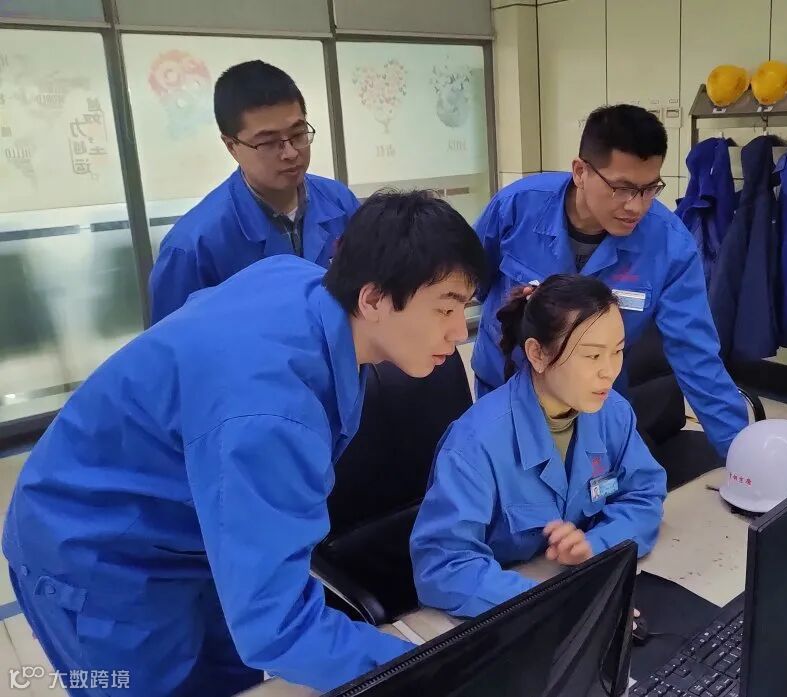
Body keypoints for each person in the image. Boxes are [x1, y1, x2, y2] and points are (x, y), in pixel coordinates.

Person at [3, 191, 487, 696]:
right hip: (95, 549)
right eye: (445, 308)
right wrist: (437, 672)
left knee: (231, 678)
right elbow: (278, 627)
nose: (459, 331)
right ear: (373, 300)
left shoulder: (300, 281)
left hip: (193, 529)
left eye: (464, 306)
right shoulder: (271, 412)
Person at [471, 104, 747, 456]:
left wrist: (744, 454)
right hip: (504, 389)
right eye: (621, 188)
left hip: (592, 408)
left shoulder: (668, 246)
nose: (636, 206)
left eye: (649, 189)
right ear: (580, 171)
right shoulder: (516, 208)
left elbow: (696, 355)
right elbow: (472, 283)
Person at [410, 275, 666, 618]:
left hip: (570, 586)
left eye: (617, 351)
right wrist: (553, 604)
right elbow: (445, 567)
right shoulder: (476, 443)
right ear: (538, 354)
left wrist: (596, 546)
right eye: (592, 356)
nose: (609, 372)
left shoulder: (613, 413)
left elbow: (644, 495)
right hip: (502, 610)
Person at [148, 60, 360, 323]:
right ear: (231, 146)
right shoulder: (192, 247)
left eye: (298, 134)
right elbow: (172, 343)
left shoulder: (341, 202)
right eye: (268, 143)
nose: (290, 153)